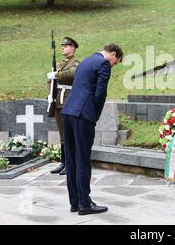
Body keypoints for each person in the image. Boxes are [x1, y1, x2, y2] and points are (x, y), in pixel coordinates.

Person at [61, 44, 123, 215]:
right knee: (83, 159)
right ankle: (85, 204)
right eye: (115, 62)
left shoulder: (86, 60)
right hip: (83, 114)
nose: (113, 65)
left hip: (68, 112)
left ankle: (74, 202)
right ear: (112, 54)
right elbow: (100, 93)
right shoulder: (103, 64)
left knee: (71, 160)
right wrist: (94, 115)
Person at [47, 37, 80, 175]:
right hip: (58, 102)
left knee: (69, 135)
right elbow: (50, 81)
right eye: (62, 46)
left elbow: (71, 75)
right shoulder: (60, 64)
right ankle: (64, 163)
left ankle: (71, 164)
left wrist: (56, 75)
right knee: (62, 135)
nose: (63, 48)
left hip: (68, 102)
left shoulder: (76, 63)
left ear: (73, 48)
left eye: (66, 46)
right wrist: (49, 96)